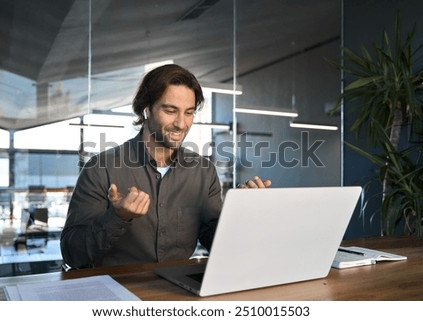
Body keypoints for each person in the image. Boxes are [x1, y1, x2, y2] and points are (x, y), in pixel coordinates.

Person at [60, 64, 271, 269]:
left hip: (178, 290)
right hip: (119, 289)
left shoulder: (203, 171)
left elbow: (215, 242)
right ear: (146, 110)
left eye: (189, 112)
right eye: (170, 111)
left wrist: (242, 214)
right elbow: (72, 253)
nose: (181, 123)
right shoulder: (101, 168)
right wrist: (118, 218)